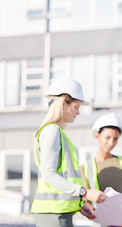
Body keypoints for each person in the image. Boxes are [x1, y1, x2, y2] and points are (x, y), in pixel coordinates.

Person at [31, 78, 107, 227]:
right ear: (64, 103)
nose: (78, 113)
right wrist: (85, 193)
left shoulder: (55, 132)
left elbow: (61, 178)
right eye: (76, 107)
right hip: (53, 214)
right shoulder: (51, 131)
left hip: (57, 213)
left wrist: (79, 205)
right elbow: (49, 175)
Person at [80, 112, 122, 226]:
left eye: (115, 139)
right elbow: (84, 200)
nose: (111, 143)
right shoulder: (86, 168)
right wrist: (95, 214)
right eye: (107, 137)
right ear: (97, 135)